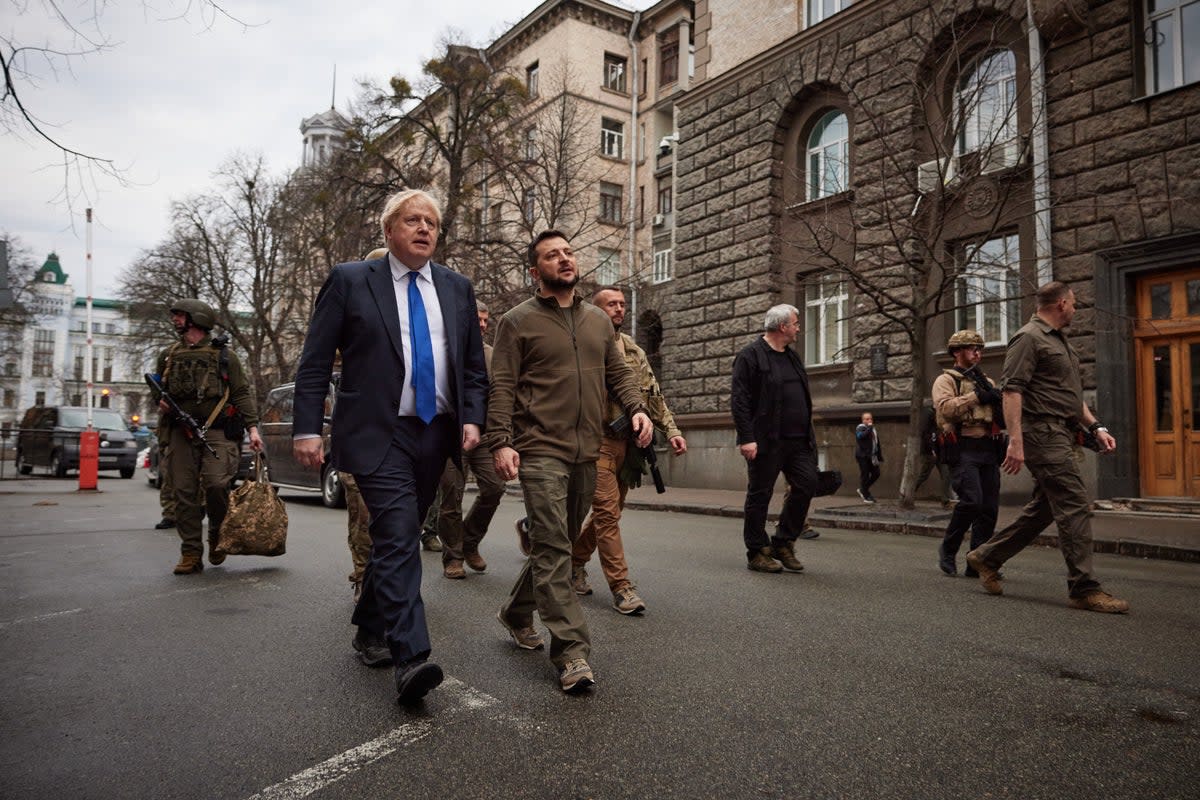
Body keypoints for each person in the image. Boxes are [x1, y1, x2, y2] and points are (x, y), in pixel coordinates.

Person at [293, 189, 489, 705]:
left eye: (431, 222)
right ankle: (411, 659)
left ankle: (368, 627)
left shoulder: (456, 287)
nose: (424, 228)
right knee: (401, 536)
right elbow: (314, 362)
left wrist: (473, 419)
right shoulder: (352, 280)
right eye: (411, 220)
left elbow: (472, 367)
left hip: (436, 432)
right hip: (379, 432)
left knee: (393, 541)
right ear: (389, 231)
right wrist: (307, 429)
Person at [488, 230, 652, 693]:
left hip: (589, 448)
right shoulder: (516, 322)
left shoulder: (599, 321)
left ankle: (517, 611)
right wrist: (501, 440)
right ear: (534, 271)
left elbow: (618, 373)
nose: (564, 259)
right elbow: (501, 385)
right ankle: (572, 652)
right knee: (555, 547)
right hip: (540, 450)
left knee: (553, 546)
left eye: (567, 252)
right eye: (551, 255)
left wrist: (638, 409)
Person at [966, 281, 1129, 614]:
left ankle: (986, 556)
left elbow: (1069, 396)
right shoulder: (1029, 337)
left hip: (1062, 431)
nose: (1075, 309)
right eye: (1073, 304)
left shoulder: (1059, 341)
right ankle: (1084, 588)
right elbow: (1012, 392)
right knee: (1074, 502)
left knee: (1046, 507)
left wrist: (1095, 427)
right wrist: (1016, 441)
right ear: (1061, 304)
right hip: (1041, 432)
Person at [572, 286, 687, 614]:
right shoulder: (584, 346)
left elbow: (654, 395)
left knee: (611, 513)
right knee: (607, 514)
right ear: (596, 310)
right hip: (596, 443)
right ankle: (622, 587)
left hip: (628, 447)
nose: (619, 309)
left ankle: (574, 562)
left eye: (623, 304)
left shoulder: (634, 352)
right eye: (612, 304)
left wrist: (672, 431)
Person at [153, 299, 262, 575]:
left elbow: (241, 392)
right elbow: (157, 387)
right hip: (180, 431)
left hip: (217, 431)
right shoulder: (169, 355)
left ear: (197, 319)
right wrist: (160, 401)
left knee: (216, 485)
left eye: (180, 315)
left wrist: (253, 428)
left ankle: (216, 532)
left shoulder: (225, 356)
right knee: (183, 492)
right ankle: (190, 552)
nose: (176, 320)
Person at [731, 304, 819, 574]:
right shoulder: (750, 356)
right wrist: (747, 438)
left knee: (807, 484)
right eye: (795, 323)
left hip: (798, 441)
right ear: (783, 327)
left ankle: (783, 542)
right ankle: (757, 551)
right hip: (766, 441)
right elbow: (740, 400)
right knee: (760, 494)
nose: (798, 328)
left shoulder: (792, 357)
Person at [434, 301, 507, 580]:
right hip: (448, 436)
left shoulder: (492, 355)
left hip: (485, 436)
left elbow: (501, 394)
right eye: (477, 319)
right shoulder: (444, 350)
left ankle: (469, 540)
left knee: (495, 488)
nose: (482, 325)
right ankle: (453, 557)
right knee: (451, 497)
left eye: (486, 321)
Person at [932, 330, 1002, 577]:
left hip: (988, 448)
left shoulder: (988, 382)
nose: (978, 353)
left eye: (979, 349)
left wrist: (998, 400)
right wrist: (977, 397)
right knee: (972, 501)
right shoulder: (946, 380)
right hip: (962, 447)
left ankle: (978, 561)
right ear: (957, 352)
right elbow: (946, 409)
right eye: (973, 348)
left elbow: (999, 415)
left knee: (989, 509)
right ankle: (948, 550)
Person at [913, 402, 956, 509]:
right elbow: (925, 433)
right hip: (930, 451)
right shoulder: (929, 413)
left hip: (940, 450)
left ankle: (945, 500)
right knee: (924, 475)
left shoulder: (941, 413)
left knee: (946, 474)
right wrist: (931, 449)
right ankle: (909, 492)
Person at [341, 471, 371, 603]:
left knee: (405, 523)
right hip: (360, 458)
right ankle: (362, 576)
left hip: (404, 458)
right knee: (362, 519)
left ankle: (399, 580)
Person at [854, 412, 882, 503]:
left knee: (876, 473)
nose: (869, 420)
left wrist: (879, 455)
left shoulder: (873, 429)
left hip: (872, 456)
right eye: (866, 419)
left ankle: (863, 489)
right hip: (863, 456)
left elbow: (876, 443)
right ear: (863, 420)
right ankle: (866, 495)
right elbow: (860, 436)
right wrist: (869, 427)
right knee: (865, 475)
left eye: (870, 418)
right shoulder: (860, 428)